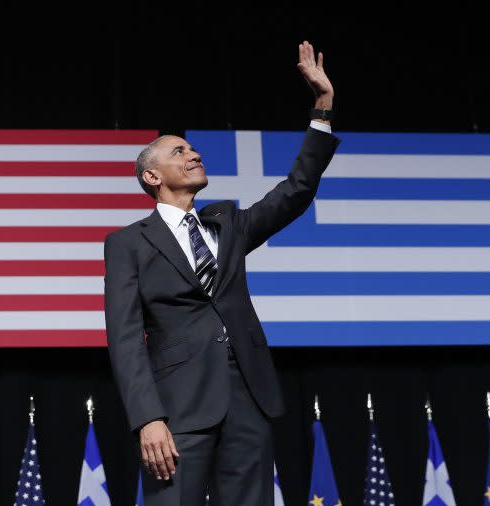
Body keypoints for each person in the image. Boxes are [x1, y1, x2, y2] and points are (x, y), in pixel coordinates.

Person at [104, 40, 341, 505]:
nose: (193, 155)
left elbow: (295, 190)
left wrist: (322, 107)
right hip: (176, 409)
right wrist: (146, 417)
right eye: (178, 152)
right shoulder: (128, 242)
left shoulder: (228, 223)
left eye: (193, 149)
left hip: (247, 398)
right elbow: (125, 336)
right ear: (152, 177)